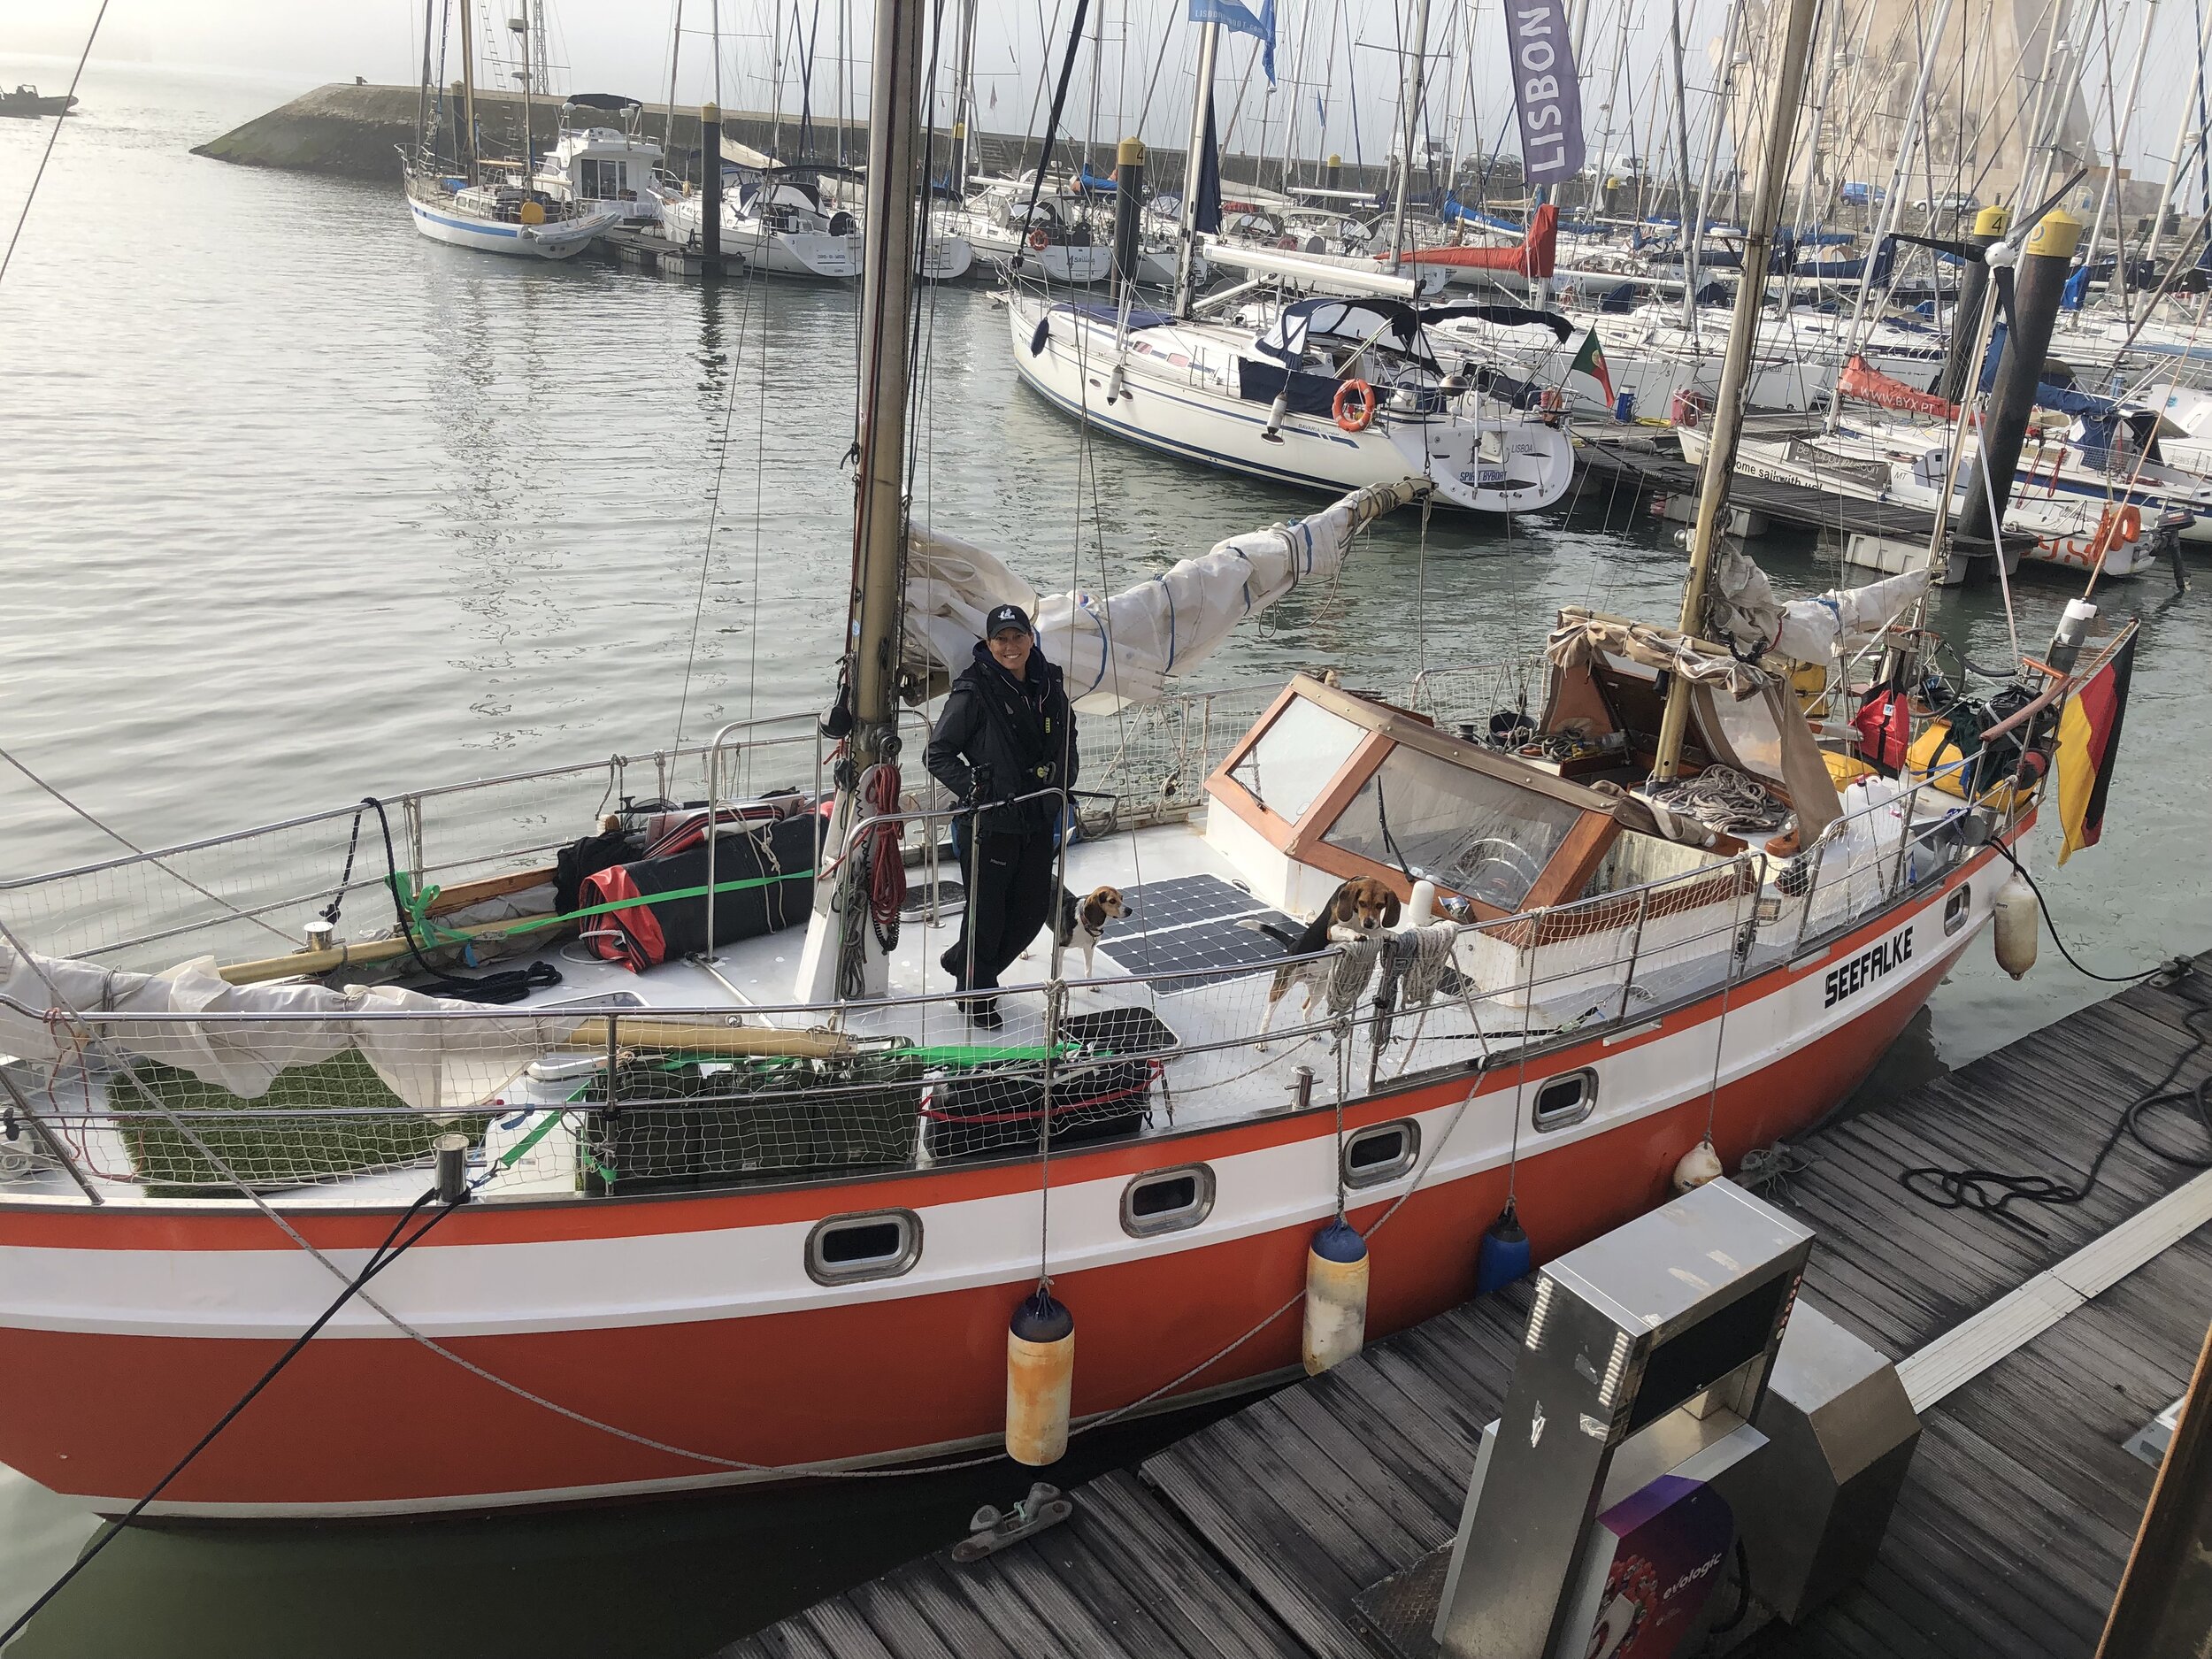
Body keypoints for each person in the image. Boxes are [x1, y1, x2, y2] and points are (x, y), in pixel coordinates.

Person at [924, 603, 1078, 1027]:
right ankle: (977, 996)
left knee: (1030, 911)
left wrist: (1063, 784)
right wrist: (977, 789)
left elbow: (1068, 737)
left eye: (1017, 636)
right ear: (989, 644)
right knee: (987, 916)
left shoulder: (1049, 683)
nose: (1010, 646)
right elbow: (937, 753)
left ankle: (963, 961)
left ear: (1031, 638)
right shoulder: (973, 691)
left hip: (1037, 816)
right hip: (990, 823)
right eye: (1001, 639)